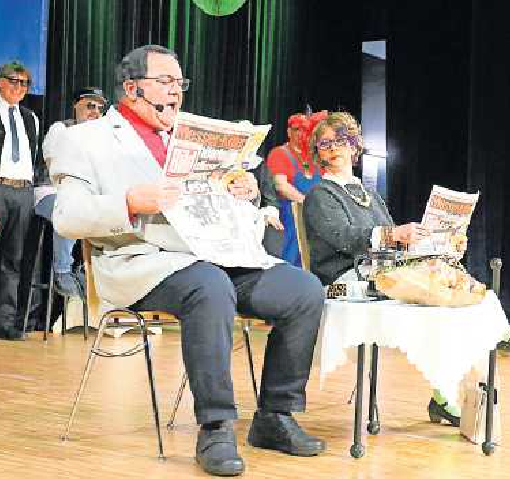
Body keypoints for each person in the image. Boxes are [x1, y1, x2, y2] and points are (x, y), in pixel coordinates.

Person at [50, 45, 326, 476]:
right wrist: (128, 202)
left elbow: (218, 208)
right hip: (141, 261)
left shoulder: (191, 135)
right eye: (165, 82)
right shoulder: (84, 138)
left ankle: (275, 416)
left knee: (304, 291)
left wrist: (245, 195)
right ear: (131, 88)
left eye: (180, 83)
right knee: (209, 286)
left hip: (216, 256)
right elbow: (66, 216)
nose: (176, 92)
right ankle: (216, 425)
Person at [303, 111, 463, 427]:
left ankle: (444, 392)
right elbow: (346, 238)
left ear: (353, 145)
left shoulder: (369, 193)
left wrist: (439, 243)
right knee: (422, 301)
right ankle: (444, 396)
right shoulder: (319, 194)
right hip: (336, 283)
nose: (333, 148)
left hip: (375, 273)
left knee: (438, 292)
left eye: (340, 141)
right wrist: (393, 235)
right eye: (324, 144)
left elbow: (393, 241)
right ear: (317, 153)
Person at [37, 87, 107, 296]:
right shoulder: (61, 129)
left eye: (100, 108)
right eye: (90, 106)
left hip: (83, 197)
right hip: (48, 193)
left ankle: (89, 267)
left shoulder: (102, 140)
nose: (95, 111)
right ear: (76, 105)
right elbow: (55, 169)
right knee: (70, 206)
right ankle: (62, 270)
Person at [0, 62, 42, 340]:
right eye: (13, 81)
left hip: (23, 192)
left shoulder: (31, 118)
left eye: (24, 83)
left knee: (14, 260)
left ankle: (6, 322)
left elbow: (34, 156)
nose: (19, 87)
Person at [266, 113, 321, 266]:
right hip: (290, 219)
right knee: (290, 261)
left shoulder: (314, 158)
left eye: (305, 130)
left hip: (315, 220)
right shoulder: (279, 153)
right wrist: (308, 203)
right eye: (297, 129)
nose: (301, 133)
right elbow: (281, 186)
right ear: (289, 131)